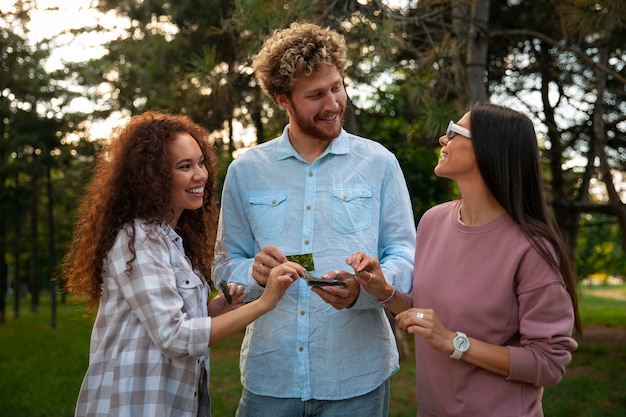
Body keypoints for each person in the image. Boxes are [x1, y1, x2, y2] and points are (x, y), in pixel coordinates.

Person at [211, 22, 416, 417]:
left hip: (356, 378)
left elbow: (404, 252)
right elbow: (223, 263)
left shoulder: (379, 163)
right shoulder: (246, 170)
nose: (333, 104)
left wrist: (366, 289)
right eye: (315, 95)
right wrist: (251, 273)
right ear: (281, 98)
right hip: (271, 377)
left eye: (337, 87)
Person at [347, 102, 582, 417]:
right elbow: (431, 316)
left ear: (489, 150)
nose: (443, 140)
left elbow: (548, 364)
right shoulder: (432, 221)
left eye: (453, 132)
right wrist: (384, 291)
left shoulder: (532, 249)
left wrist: (456, 343)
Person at [62, 111, 299, 417]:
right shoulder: (139, 239)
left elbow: (170, 318)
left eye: (201, 162)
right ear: (153, 178)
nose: (201, 175)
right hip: (134, 404)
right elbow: (175, 337)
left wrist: (214, 309)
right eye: (184, 167)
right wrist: (264, 303)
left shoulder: (170, 239)